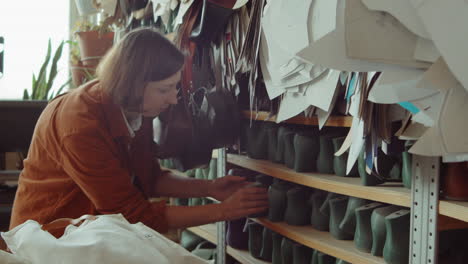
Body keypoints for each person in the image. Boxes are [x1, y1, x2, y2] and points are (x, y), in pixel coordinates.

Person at [9, 27, 268, 235]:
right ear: (134, 84)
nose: (173, 100)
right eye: (164, 89)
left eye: (174, 88)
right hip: (47, 239)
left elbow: (149, 178)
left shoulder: (135, 107)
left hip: (88, 232)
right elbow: (130, 214)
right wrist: (223, 211)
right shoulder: (79, 124)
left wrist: (210, 188)